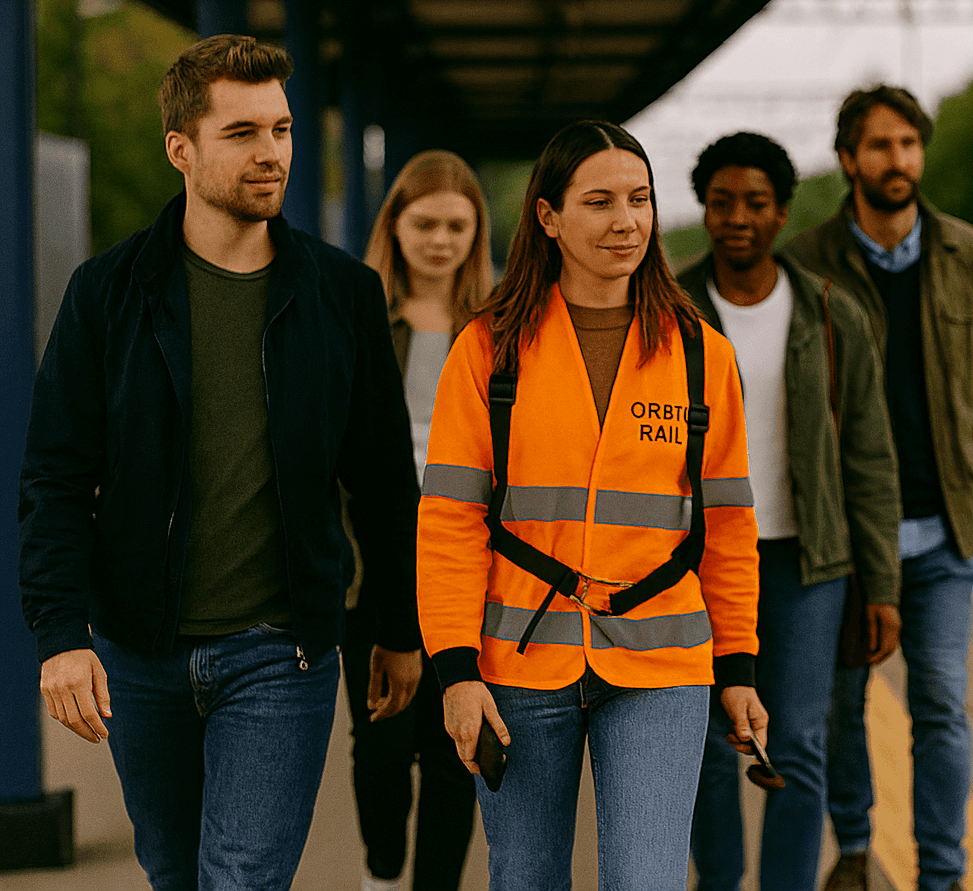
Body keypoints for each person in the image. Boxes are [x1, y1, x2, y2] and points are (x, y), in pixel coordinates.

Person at [18, 34, 422, 891]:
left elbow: (386, 481)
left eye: (280, 129)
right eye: (242, 133)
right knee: (173, 872)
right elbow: (54, 475)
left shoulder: (342, 295)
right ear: (182, 149)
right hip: (138, 650)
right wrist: (60, 636)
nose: (272, 153)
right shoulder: (109, 292)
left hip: (282, 650)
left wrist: (399, 626)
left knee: (239, 878)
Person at [416, 119, 767, 891]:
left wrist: (739, 666)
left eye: (639, 199)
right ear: (548, 217)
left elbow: (730, 526)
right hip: (518, 664)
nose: (626, 221)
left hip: (661, 665)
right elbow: (448, 521)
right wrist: (455, 671)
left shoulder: (702, 354)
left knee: (647, 880)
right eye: (600, 201)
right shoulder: (487, 348)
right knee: (527, 877)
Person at [786, 86, 973, 891]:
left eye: (909, 143)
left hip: (945, 529)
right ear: (849, 160)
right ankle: (854, 847)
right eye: (879, 146)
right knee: (843, 706)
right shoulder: (808, 265)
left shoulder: (968, 255)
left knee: (940, 703)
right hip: (846, 538)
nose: (897, 160)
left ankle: (941, 876)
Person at [675, 132, 902, 891]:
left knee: (799, 739)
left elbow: (870, 459)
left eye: (756, 203)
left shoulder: (833, 313)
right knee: (707, 742)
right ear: (703, 210)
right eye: (721, 203)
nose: (737, 217)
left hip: (809, 561)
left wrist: (882, 585)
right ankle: (721, 882)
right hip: (697, 561)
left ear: (781, 215)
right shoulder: (671, 311)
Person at [344, 150, 495, 891]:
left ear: (477, 232)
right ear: (395, 224)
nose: (441, 240)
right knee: (379, 743)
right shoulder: (358, 313)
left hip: (468, 557)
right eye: (425, 223)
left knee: (452, 748)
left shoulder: (498, 325)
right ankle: (382, 872)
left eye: (457, 226)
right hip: (375, 559)